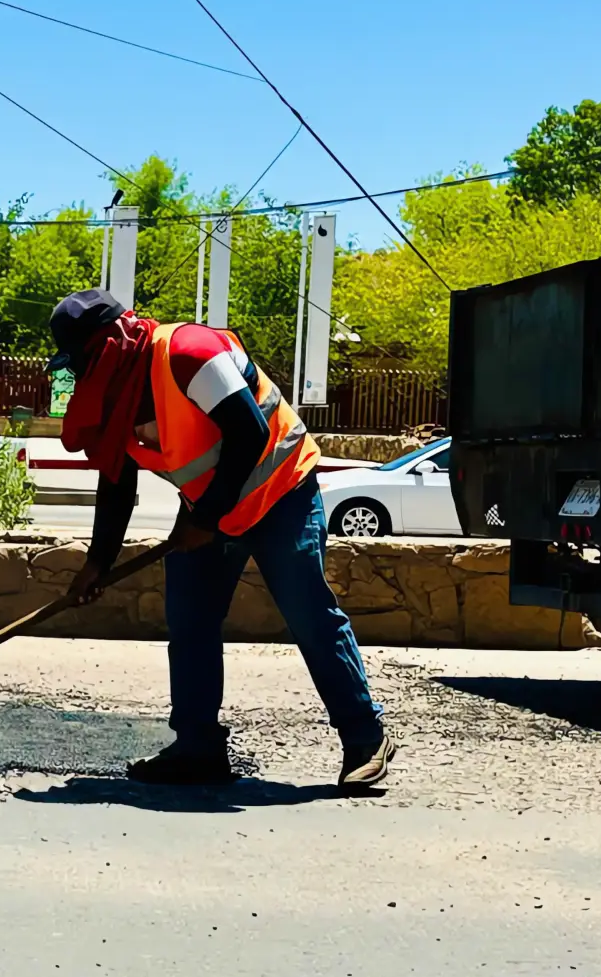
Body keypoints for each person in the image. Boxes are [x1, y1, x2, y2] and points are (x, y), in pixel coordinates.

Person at [50, 287, 395, 787]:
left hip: (280, 491)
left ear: (105, 346)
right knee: (189, 620)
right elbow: (117, 480)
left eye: (77, 360)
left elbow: (250, 433)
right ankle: (198, 749)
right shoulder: (115, 393)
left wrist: (205, 519)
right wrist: (97, 564)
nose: (76, 374)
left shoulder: (189, 354)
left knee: (307, 612)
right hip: (209, 508)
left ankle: (365, 736)